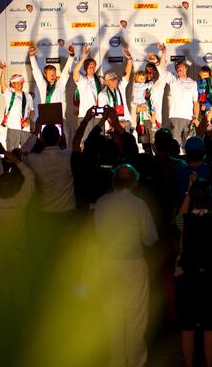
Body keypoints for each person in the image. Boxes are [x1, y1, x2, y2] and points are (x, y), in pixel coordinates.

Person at [94, 164, 158, 367]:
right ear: (134, 181)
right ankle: (136, 361)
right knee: (136, 318)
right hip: (133, 264)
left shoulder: (102, 202)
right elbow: (150, 238)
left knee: (112, 318)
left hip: (107, 263)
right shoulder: (139, 205)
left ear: (114, 180)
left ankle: (116, 361)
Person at [175, 173, 212, 367]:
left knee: (187, 327)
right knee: (210, 326)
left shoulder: (183, 221)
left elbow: (180, 214)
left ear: (193, 198)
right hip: (210, 277)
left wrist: (189, 191)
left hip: (187, 277)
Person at [159, 44, 200, 150]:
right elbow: (161, 69)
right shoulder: (173, 80)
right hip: (175, 117)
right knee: (175, 146)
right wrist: (163, 53)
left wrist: (195, 118)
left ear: (186, 68)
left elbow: (196, 102)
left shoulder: (193, 83)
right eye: (177, 69)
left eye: (181, 69)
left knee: (188, 146)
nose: (178, 71)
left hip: (188, 118)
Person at [28, 43, 75, 123]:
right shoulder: (43, 85)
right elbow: (36, 71)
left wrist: (71, 56)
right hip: (46, 117)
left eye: (54, 73)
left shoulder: (60, 84)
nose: (53, 75)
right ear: (45, 75)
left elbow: (66, 70)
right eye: (50, 74)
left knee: (64, 135)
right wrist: (32, 57)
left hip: (59, 119)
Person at [0, 60, 35, 151]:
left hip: (25, 128)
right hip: (13, 128)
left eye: (21, 82)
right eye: (18, 83)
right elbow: (3, 86)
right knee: (12, 154)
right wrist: (3, 70)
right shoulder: (9, 93)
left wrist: (28, 120)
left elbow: (32, 111)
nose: (21, 84)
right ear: (13, 84)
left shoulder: (27, 95)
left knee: (26, 153)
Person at [72, 45, 105, 144]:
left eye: (93, 66)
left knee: (100, 143)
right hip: (85, 115)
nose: (92, 68)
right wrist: (83, 57)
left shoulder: (98, 80)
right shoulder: (82, 80)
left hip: (98, 115)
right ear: (85, 68)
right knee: (86, 142)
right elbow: (75, 72)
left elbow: (111, 83)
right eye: (90, 66)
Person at [98, 48, 134, 132]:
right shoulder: (102, 94)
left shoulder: (120, 87)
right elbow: (105, 113)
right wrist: (116, 125)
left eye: (116, 79)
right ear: (106, 82)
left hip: (125, 122)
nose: (115, 81)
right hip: (112, 126)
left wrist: (129, 60)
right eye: (112, 80)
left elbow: (127, 74)